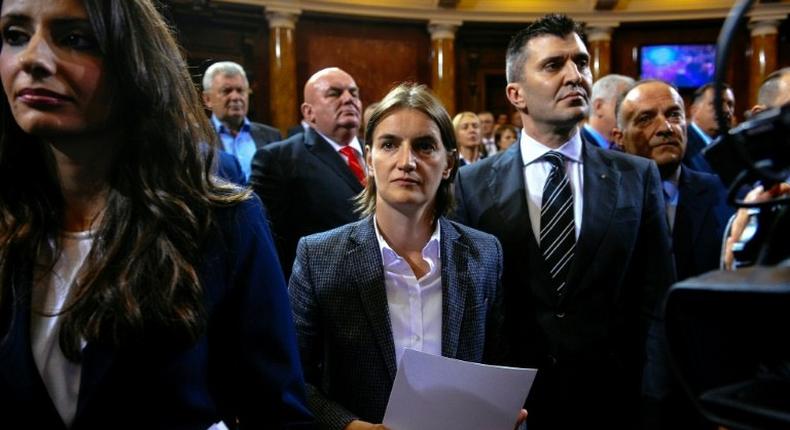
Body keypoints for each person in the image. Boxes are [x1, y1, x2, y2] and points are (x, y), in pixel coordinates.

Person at [0, 0, 311, 428]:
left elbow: (277, 413)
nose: (32, 58)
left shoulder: (222, 219)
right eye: (15, 35)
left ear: (134, 63)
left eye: (75, 38)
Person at [452, 14, 675, 429]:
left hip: (616, 402)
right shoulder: (471, 184)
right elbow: (467, 308)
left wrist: (656, 397)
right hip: (513, 407)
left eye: (582, 62)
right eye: (554, 65)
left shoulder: (637, 177)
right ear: (515, 94)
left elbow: (657, 300)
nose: (576, 75)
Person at [289, 83, 523, 430]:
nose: (407, 161)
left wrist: (505, 412)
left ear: (449, 164)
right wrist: (348, 426)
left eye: (425, 146)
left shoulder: (485, 253)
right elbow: (292, 376)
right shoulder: (318, 256)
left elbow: (498, 363)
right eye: (389, 144)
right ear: (369, 159)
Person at [251, 67, 366, 280]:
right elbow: (265, 242)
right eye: (335, 93)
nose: (348, 99)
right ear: (308, 112)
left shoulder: (381, 153)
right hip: (324, 290)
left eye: (354, 93)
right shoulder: (279, 159)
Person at [613, 80, 731, 282]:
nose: (666, 127)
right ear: (619, 138)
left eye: (674, 115)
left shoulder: (724, 193)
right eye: (646, 119)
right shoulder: (601, 201)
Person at [202, 61, 282, 182]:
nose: (235, 97)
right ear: (207, 99)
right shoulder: (195, 137)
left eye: (240, 90)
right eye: (226, 91)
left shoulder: (272, 136)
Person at [683, 82, 735, 174]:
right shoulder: (683, 145)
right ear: (694, 110)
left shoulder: (734, 146)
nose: (727, 110)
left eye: (730, 104)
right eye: (717, 103)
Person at [581, 73, 634, 150]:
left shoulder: (624, 147)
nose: (629, 111)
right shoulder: (578, 148)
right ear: (598, 106)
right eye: (621, 103)